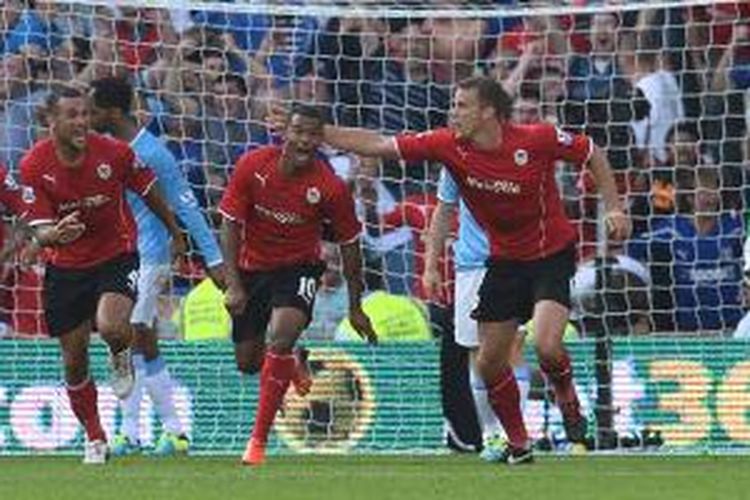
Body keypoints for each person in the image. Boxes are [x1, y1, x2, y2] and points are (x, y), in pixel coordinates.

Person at [272, 76, 630, 464]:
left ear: (489, 111)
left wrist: (613, 207)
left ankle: (566, 395)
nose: (453, 112)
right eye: (454, 104)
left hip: (550, 254)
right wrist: (317, 132)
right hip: (503, 261)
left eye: (462, 105)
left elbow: (592, 151)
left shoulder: (536, 139)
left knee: (545, 346)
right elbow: (380, 144)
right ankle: (518, 440)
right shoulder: (448, 145)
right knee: (490, 363)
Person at [19, 85, 186, 465]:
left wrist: (175, 232)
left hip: (117, 253)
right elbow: (39, 228)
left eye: (85, 114)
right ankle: (95, 437)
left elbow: (150, 191)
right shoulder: (34, 164)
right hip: (66, 267)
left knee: (112, 325)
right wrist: (52, 235)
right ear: (52, 122)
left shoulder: (115, 153)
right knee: (74, 359)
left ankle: (119, 352)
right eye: (72, 115)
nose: (82, 122)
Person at [219, 104, 377, 466]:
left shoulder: (330, 187)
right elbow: (229, 223)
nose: (305, 140)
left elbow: (350, 246)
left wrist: (355, 306)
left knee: (281, 334)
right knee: (247, 362)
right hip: (251, 269)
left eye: (312, 134)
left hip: (299, 270)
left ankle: (256, 444)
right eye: (298, 132)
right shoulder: (253, 166)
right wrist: (233, 283)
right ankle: (292, 362)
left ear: (321, 139)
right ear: (285, 133)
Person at [89, 77, 226, 456]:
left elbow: (187, 206)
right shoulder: (109, 150)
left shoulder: (152, 152)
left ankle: (151, 431)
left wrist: (214, 259)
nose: (88, 116)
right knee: (136, 338)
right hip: (123, 255)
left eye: (94, 110)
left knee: (129, 332)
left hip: (150, 254)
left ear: (113, 112)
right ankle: (157, 431)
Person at [424, 169, 530, 462]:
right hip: (471, 265)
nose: (457, 119)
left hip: (514, 261)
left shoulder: (518, 150)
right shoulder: (453, 159)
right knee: (478, 354)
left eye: (460, 117)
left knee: (512, 348)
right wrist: (431, 265)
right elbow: (444, 211)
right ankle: (491, 434)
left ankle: (516, 435)